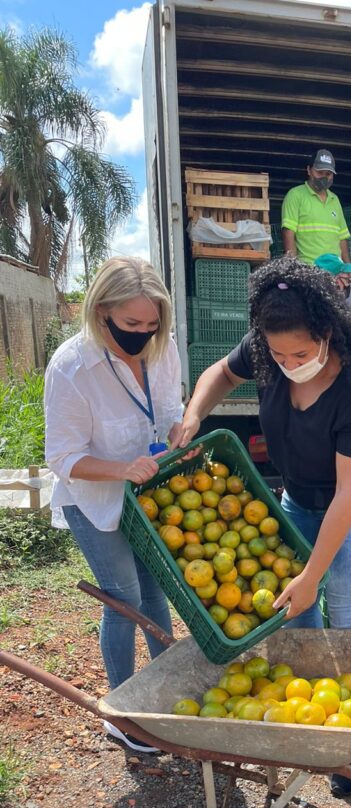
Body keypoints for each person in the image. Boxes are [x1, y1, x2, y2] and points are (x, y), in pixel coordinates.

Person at [174, 258, 351, 794]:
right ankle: (312, 721)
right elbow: (219, 374)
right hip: (296, 499)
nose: (287, 362)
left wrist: (312, 576)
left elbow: (348, 493)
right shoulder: (264, 352)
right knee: (294, 617)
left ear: (327, 334)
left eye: (299, 354)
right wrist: (193, 414)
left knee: (346, 615)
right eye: (277, 354)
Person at [44, 256, 184, 753]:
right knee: (122, 598)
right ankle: (122, 712)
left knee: (156, 591)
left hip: (146, 494)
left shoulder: (160, 350)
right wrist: (120, 470)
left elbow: (170, 411)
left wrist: (177, 434)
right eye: (131, 324)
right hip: (95, 499)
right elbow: (62, 457)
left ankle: (166, 692)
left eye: (150, 324)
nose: (142, 334)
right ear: (102, 310)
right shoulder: (72, 366)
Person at [281, 149, 351, 299]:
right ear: (309, 170)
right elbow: (288, 232)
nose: (324, 177)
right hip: (309, 272)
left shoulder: (335, 200)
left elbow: (342, 238)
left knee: (344, 319)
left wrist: (349, 270)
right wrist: (293, 268)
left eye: (328, 174)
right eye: (320, 172)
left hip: (337, 275)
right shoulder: (295, 195)